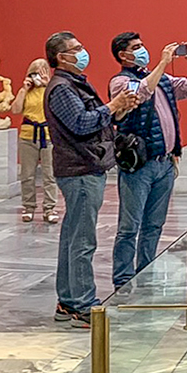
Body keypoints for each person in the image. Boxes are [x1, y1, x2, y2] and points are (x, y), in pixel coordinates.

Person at [45, 31, 142, 329]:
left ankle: (67, 300)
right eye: (77, 48)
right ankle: (83, 304)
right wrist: (113, 106)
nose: (83, 52)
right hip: (80, 169)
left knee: (73, 237)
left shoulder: (74, 84)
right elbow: (80, 123)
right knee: (82, 240)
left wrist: (119, 109)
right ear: (62, 57)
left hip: (87, 166)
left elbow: (92, 119)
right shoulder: (61, 88)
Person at [109, 32, 187, 289]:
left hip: (165, 163)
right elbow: (140, 93)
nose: (143, 50)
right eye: (136, 47)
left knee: (154, 225)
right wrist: (162, 62)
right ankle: (122, 279)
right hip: (139, 166)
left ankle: (145, 272)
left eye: (142, 45)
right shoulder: (120, 82)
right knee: (130, 226)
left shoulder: (162, 79)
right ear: (123, 55)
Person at [9, 58, 59, 224]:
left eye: (41, 71)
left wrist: (48, 85)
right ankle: (28, 207)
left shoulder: (52, 89)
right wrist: (24, 89)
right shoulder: (26, 90)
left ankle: (50, 208)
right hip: (28, 135)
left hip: (48, 135)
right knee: (27, 174)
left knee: (49, 174)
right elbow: (15, 109)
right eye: (34, 72)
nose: (38, 76)